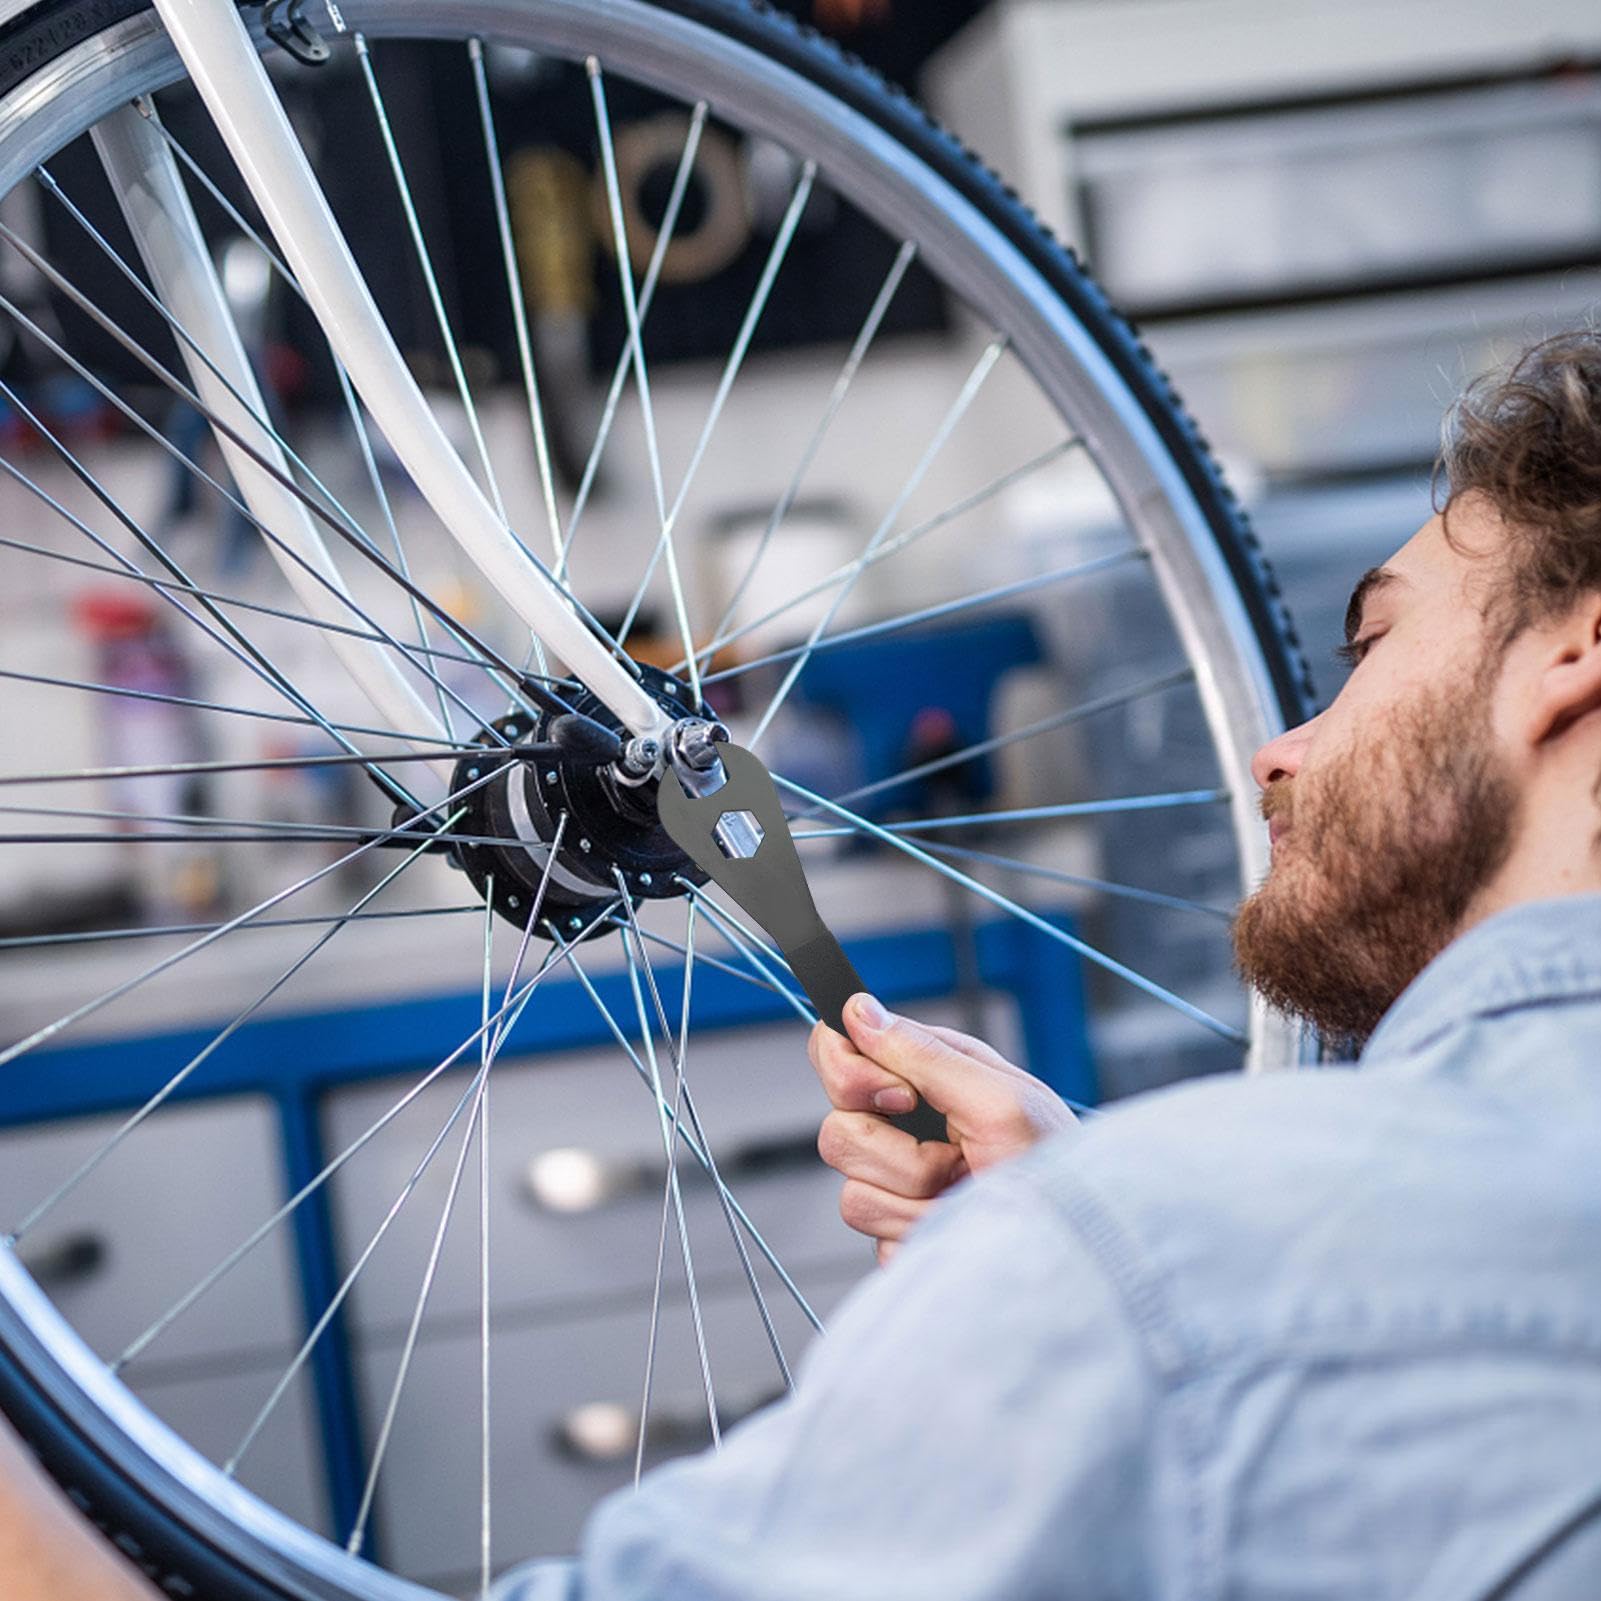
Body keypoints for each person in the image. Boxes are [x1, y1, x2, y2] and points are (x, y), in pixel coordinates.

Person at [8, 329, 1601, 1597]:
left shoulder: (1161, 1262)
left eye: (1367, 643)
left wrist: (1095, 1283)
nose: (1276, 748)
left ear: (1575, 655)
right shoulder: (1203, 1257)